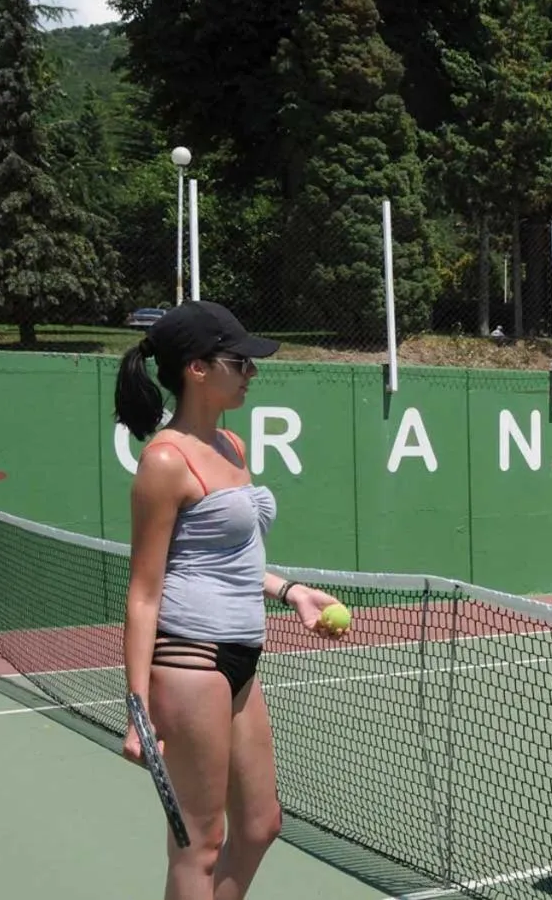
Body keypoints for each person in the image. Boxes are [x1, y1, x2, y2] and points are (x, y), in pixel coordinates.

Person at [113, 300, 345, 900]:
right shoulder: (165, 461)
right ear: (197, 368)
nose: (251, 372)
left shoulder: (232, 445)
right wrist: (137, 708)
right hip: (189, 662)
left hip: (242, 658)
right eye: (239, 362)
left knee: (261, 824)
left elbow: (232, 558)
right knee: (200, 844)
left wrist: (292, 592)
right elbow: (144, 593)